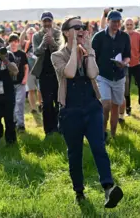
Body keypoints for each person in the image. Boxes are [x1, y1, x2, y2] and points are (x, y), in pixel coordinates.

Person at [51, 16, 124, 207]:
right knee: (75, 153)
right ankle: (79, 192)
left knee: (99, 147)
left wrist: (89, 51)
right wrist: (75, 49)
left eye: (82, 27)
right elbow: (69, 73)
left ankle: (108, 188)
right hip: (70, 111)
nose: (81, 30)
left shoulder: (88, 52)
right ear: (66, 32)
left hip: (92, 107)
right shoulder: (57, 56)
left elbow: (93, 74)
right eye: (76, 27)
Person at [92, 10, 131, 141]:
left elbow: (127, 55)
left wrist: (124, 63)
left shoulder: (124, 37)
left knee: (115, 106)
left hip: (119, 76)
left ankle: (113, 134)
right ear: (108, 21)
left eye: (118, 21)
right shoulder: (98, 37)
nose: (116, 24)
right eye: (114, 21)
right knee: (105, 105)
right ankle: (102, 133)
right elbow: (92, 56)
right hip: (103, 75)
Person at [31, 11, 63, 137]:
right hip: (44, 73)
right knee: (47, 102)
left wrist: (52, 42)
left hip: (57, 73)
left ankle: (59, 127)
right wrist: (44, 42)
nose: (47, 23)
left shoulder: (58, 34)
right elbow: (36, 52)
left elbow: (61, 51)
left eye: (49, 21)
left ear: (52, 21)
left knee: (59, 100)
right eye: (45, 21)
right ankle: (48, 129)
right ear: (41, 22)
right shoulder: (37, 36)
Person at [8, 34, 29, 132]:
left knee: (19, 102)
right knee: (11, 104)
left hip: (20, 82)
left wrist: (25, 78)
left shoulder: (22, 54)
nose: (13, 43)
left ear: (18, 43)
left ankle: (21, 125)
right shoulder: (6, 54)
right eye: (11, 41)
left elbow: (26, 67)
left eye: (15, 41)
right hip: (9, 83)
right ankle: (14, 122)